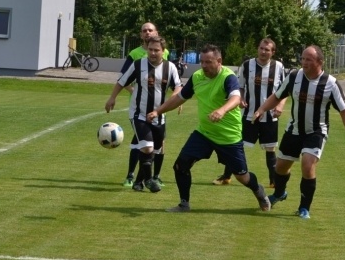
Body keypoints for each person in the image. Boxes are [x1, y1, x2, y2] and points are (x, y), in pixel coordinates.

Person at [146, 44, 271, 213]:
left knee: (242, 176)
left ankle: (258, 191)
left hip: (228, 136)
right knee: (180, 165)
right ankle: (184, 204)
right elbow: (179, 98)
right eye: (202, 62)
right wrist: (157, 111)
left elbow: (236, 98)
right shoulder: (197, 77)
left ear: (219, 61)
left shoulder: (228, 77)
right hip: (204, 133)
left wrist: (222, 110)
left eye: (208, 62)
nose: (203, 66)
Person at [252, 45, 345, 219]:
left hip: (316, 132)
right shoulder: (294, 76)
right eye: (302, 58)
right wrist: (261, 109)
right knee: (280, 167)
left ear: (319, 61)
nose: (304, 62)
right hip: (294, 130)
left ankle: (304, 208)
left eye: (308, 59)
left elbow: (344, 110)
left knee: (308, 164)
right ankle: (280, 193)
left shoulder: (330, 83)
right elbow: (277, 96)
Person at [105, 36, 182, 193]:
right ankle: (149, 180)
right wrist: (112, 98)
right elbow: (122, 81)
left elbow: (178, 87)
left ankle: (138, 181)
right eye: (150, 50)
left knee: (154, 150)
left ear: (163, 51)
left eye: (156, 50)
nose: (153, 53)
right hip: (138, 115)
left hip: (160, 116)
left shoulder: (170, 67)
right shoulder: (138, 64)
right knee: (147, 148)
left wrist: (177, 101)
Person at [213, 38, 286, 187]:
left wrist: (280, 106)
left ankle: (274, 181)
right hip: (249, 114)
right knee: (237, 144)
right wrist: (240, 99)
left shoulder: (278, 67)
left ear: (273, 52)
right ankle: (226, 176)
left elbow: (284, 91)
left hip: (270, 116)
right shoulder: (247, 65)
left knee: (270, 148)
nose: (263, 51)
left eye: (267, 49)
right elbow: (240, 87)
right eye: (261, 48)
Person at [120, 22, 172, 187]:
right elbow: (123, 78)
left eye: (150, 30)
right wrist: (135, 90)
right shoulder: (134, 54)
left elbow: (167, 78)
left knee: (156, 144)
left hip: (159, 109)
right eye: (144, 31)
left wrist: (176, 99)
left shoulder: (165, 54)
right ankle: (132, 176)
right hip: (139, 109)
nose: (147, 32)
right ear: (141, 35)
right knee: (142, 143)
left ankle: (151, 177)